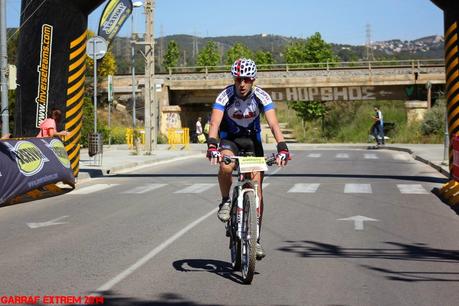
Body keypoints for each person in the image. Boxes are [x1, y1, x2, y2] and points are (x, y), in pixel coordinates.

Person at [206, 58, 290, 260]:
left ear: (253, 80)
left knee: (257, 189)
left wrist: (282, 148)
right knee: (226, 165)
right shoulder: (224, 95)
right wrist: (211, 146)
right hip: (230, 140)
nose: (242, 84)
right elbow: (215, 123)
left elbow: (274, 124)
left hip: (252, 142)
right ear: (234, 79)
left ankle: (256, 239)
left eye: (246, 79)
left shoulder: (262, 96)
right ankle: (226, 201)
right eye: (238, 79)